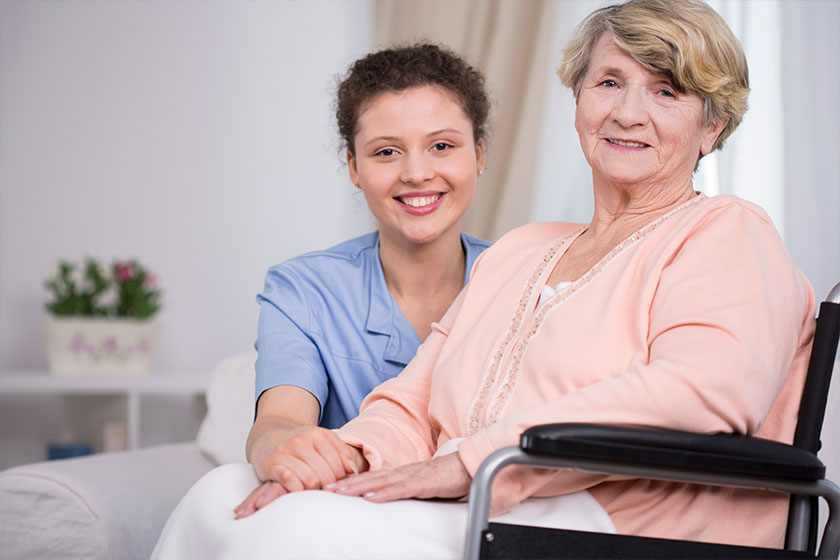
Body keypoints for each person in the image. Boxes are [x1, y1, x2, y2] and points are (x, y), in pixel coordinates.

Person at [152, 1, 815, 557]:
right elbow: (413, 400)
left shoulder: (729, 231)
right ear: (579, 98)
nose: (627, 112)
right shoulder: (525, 249)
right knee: (223, 492)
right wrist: (344, 458)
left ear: (713, 124)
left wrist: (469, 460)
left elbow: (702, 391)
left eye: (666, 91)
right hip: (495, 495)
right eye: (609, 82)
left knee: (301, 528)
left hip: (619, 520)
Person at [241, 43, 491, 511]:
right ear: (354, 167)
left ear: (477, 154)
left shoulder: (528, 280)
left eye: (442, 145)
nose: (417, 173)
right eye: (387, 152)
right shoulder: (303, 290)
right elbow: (280, 420)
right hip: (349, 522)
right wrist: (277, 445)